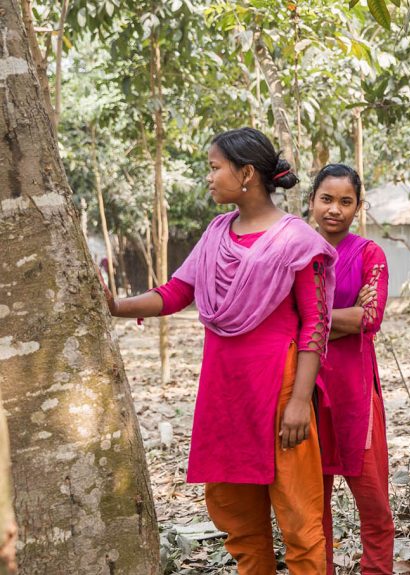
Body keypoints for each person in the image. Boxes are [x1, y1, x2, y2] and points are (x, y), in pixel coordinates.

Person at [102, 127, 335, 575]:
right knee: (238, 522)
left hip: (281, 389)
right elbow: (175, 292)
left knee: (300, 523)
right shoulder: (215, 234)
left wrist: (300, 402)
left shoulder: (297, 240)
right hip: (225, 394)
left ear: (246, 173)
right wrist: (114, 306)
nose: (208, 177)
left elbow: (315, 325)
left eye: (214, 168)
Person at [308, 164, 395, 574]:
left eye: (346, 202)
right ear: (311, 201)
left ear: (358, 207)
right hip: (302, 393)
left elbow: (370, 319)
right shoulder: (294, 250)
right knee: (311, 504)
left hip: (356, 391)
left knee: (374, 501)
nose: (335, 210)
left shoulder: (368, 253)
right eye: (327, 199)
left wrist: (309, 318)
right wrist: (343, 315)